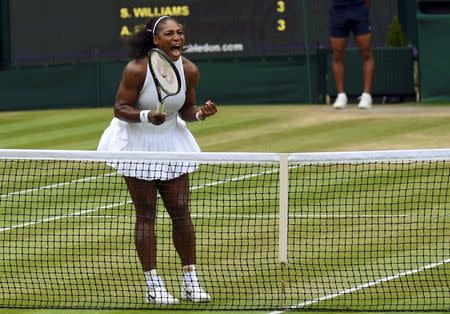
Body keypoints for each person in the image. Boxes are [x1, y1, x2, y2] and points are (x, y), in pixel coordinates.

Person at [97, 16, 217, 305]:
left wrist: (200, 113)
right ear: (156, 40)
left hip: (170, 141)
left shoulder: (189, 69)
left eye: (180, 32)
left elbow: (186, 108)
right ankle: (153, 285)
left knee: (180, 208)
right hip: (138, 142)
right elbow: (119, 108)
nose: (177, 38)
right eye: (169, 34)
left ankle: (190, 280)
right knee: (146, 213)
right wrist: (145, 116)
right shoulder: (136, 70)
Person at [330, 0, 375, 109]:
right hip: (338, 10)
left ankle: (366, 96)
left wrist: (362, 8)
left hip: (359, 8)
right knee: (337, 55)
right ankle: (341, 96)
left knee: (366, 53)